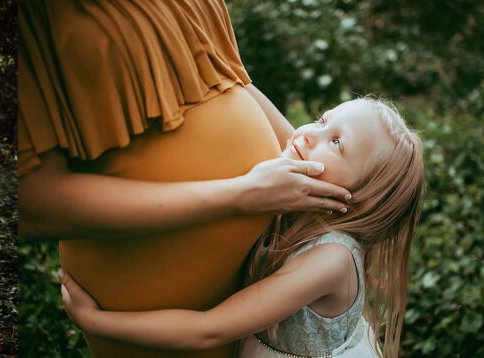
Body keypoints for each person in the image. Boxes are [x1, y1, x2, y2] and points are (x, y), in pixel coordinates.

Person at [19, 0, 350, 356]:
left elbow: (227, 75)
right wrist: (242, 194)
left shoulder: (333, 258)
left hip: (258, 280)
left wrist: (322, 178)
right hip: (156, 303)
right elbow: (33, 205)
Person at [61, 98, 426, 358]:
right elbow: (253, 96)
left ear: (361, 197)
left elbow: (210, 329)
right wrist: (218, 58)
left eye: (337, 142)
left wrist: (96, 322)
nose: (308, 135)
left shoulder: (331, 259)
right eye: (320, 119)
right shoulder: (308, 186)